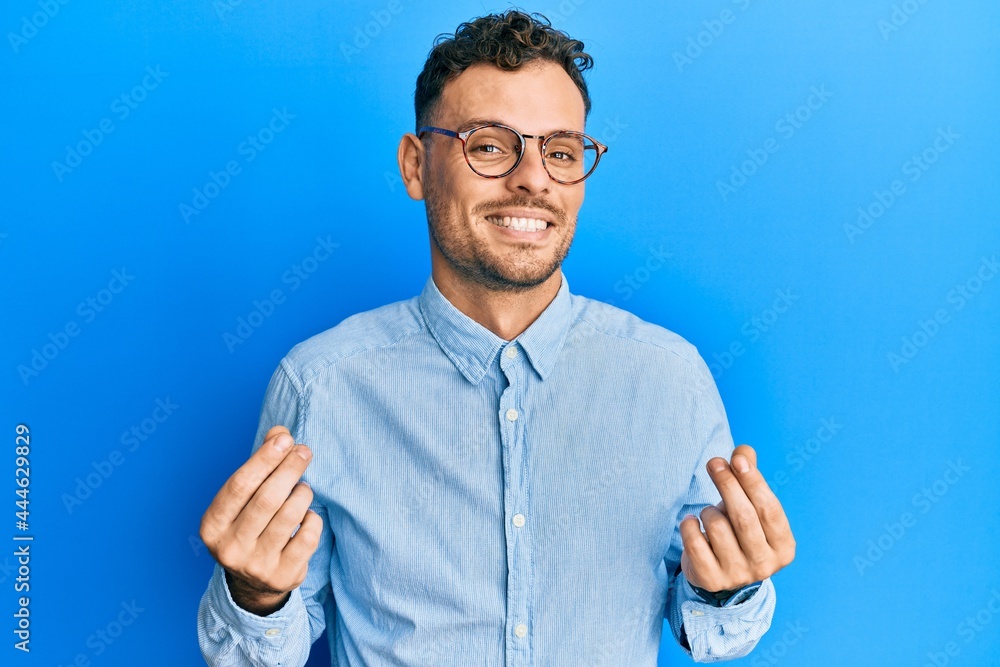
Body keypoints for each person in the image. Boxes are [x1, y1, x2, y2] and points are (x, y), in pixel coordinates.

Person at [196, 9, 796, 665]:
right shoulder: (321, 385)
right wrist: (253, 593)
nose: (533, 179)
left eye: (561, 152)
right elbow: (255, 654)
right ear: (416, 165)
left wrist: (731, 588)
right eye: (489, 145)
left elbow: (714, 630)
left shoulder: (671, 379)